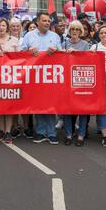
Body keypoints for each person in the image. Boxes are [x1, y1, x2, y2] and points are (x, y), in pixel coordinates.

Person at [22, 12, 62, 144]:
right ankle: (40, 132)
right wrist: (28, 51)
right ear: (37, 22)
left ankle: (51, 133)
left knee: (50, 103)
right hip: (35, 76)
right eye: (44, 20)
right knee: (38, 103)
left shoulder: (55, 36)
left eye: (48, 21)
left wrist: (56, 49)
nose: (47, 23)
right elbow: (20, 53)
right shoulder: (28, 36)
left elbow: (62, 54)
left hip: (51, 76)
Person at [0, 18, 20, 143]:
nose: (1, 28)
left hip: (10, 77)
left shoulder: (14, 40)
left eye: (3, 25)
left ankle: (8, 131)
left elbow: (20, 58)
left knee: (9, 105)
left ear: (7, 27)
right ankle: (1, 129)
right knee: (0, 106)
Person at [63, 20, 90, 147]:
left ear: (81, 31)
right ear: (69, 31)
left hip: (81, 81)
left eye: (77, 29)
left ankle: (81, 135)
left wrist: (77, 54)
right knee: (67, 109)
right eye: (72, 29)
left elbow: (88, 61)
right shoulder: (64, 43)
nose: (74, 31)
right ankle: (68, 134)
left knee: (82, 110)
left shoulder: (85, 44)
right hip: (67, 82)